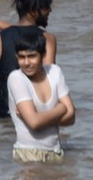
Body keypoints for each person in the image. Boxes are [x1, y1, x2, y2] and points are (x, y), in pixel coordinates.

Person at [0, 0, 56, 118]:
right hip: (33, 114)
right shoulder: (47, 39)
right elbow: (49, 80)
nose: (49, 11)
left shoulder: (0, 38)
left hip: (4, 112)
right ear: (34, 11)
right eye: (46, 7)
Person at [7, 31, 75, 163]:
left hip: (56, 152)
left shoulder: (55, 72)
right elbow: (34, 123)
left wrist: (38, 117)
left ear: (43, 55)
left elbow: (71, 117)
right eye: (22, 57)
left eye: (32, 56)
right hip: (27, 154)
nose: (26, 63)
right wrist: (60, 109)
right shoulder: (16, 78)